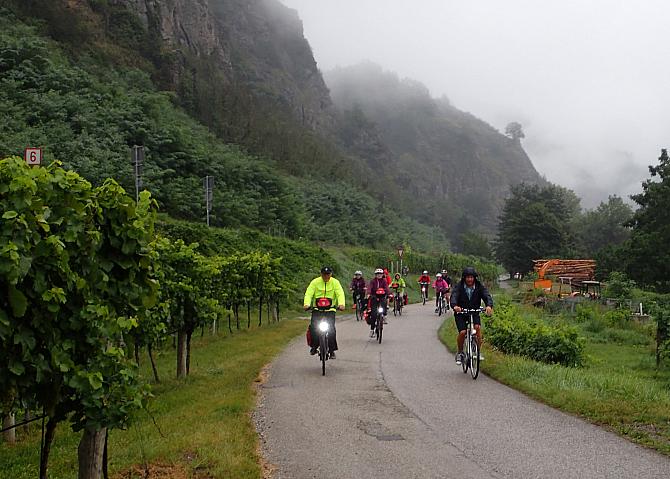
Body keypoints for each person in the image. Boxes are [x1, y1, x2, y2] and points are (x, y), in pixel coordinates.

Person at [450, 267, 493, 365]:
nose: (470, 279)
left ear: (474, 278)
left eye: (472, 277)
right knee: (462, 332)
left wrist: (489, 306)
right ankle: (460, 352)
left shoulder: (479, 286)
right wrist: (455, 306)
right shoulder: (459, 286)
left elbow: (486, 295)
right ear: (464, 278)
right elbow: (454, 296)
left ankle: (477, 351)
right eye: (468, 277)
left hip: (474, 311)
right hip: (461, 313)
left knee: (477, 328)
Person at [303, 266, 346, 359]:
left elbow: (340, 293)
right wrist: (306, 304)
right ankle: (314, 346)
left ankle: (332, 350)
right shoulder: (315, 282)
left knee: (331, 329)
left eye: (328, 274)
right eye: (324, 274)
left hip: (330, 310)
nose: (326, 276)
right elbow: (309, 293)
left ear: (331, 274)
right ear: (321, 274)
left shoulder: (335, 283)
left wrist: (341, 304)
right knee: (314, 328)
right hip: (317, 310)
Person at [367, 267, 390, 337]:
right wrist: (368, 294)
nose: (379, 275)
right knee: (373, 314)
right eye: (377, 274)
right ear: (375, 275)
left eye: (380, 274)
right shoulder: (373, 281)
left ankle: (385, 316)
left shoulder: (384, 281)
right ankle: (371, 330)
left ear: (382, 274)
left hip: (382, 297)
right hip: (374, 297)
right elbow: (369, 288)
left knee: (384, 303)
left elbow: (387, 288)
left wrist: (389, 294)